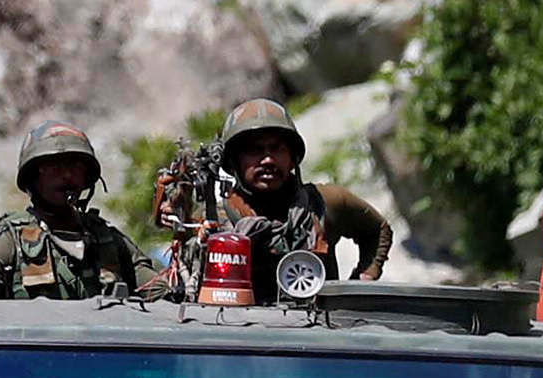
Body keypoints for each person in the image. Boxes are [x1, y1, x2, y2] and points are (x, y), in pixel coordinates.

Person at [158, 98, 395, 292]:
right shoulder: (214, 220)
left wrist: (359, 284)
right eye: (254, 150)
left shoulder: (324, 203)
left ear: (293, 157)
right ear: (233, 162)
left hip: (318, 335)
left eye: (277, 148)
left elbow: (377, 230)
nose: (268, 159)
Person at [0, 120, 162, 301]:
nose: (67, 175)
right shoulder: (6, 245)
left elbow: (161, 293)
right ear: (34, 175)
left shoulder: (109, 240)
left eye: (76, 165)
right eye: (55, 165)